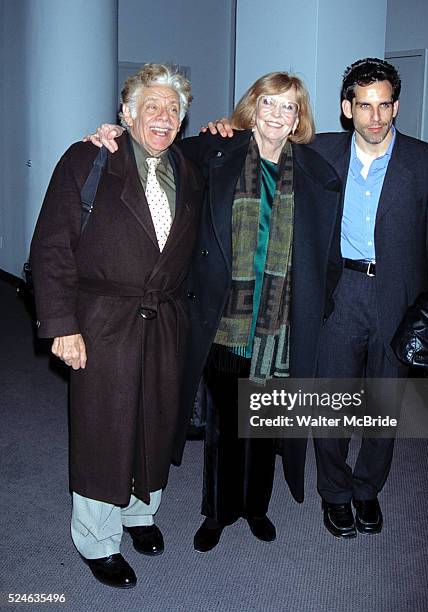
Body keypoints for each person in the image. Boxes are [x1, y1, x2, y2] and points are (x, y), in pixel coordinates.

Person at [203, 57, 428, 539]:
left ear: (396, 106)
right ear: (348, 109)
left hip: (400, 299)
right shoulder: (318, 153)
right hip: (339, 292)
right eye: (365, 106)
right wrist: (226, 129)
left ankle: (368, 490)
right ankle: (336, 493)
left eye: (385, 106)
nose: (376, 117)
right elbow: (260, 144)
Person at [88, 71, 343, 551]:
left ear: (298, 118)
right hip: (226, 316)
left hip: (280, 323)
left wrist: (314, 304)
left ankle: (256, 507)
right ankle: (220, 512)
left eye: (288, 106)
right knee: (226, 421)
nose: (276, 113)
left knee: (267, 423)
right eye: (268, 102)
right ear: (253, 107)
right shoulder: (214, 152)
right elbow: (157, 152)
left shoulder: (316, 174)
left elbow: (328, 255)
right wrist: (114, 134)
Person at [30, 64, 203, 588]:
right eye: (151, 105)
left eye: (173, 109)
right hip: (104, 321)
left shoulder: (189, 170)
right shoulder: (89, 159)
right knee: (103, 429)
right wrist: (62, 325)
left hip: (166, 321)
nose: (163, 116)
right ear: (125, 114)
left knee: (155, 419)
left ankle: (139, 515)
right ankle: (98, 539)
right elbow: (52, 247)